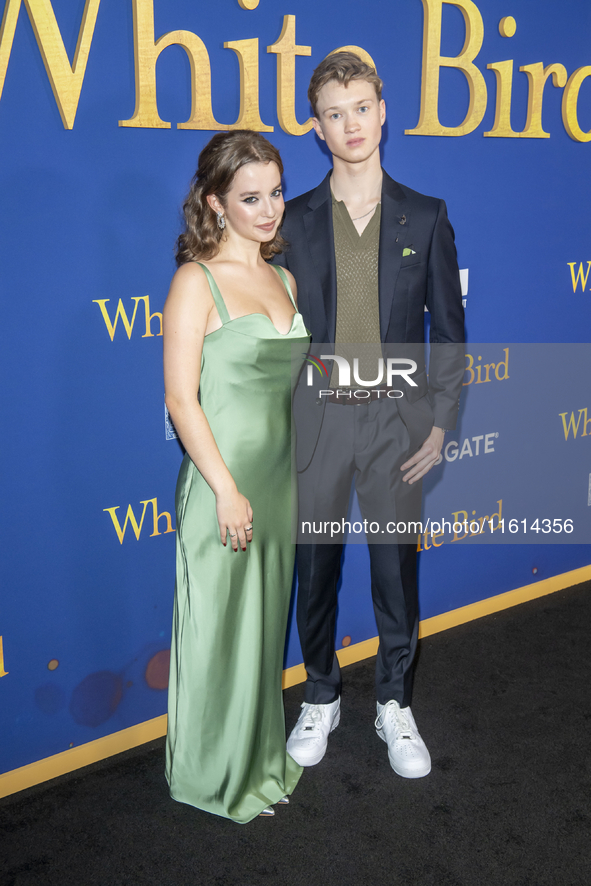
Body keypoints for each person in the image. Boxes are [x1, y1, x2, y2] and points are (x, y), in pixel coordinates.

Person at [275, 53, 465, 778]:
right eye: (333, 112)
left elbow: (447, 332)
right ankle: (320, 693)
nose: (349, 124)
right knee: (314, 571)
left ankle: (393, 703)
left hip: (395, 425)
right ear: (316, 127)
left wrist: (441, 423)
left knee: (394, 574)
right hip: (315, 424)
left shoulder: (427, 215)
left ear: (383, 112)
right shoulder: (289, 223)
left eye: (360, 107)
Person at [163, 131, 309, 822]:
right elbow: (180, 399)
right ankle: (214, 775)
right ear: (215, 203)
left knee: (261, 629)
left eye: (275, 192)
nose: (269, 208)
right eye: (250, 197)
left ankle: (256, 757)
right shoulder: (196, 281)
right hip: (223, 485)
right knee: (220, 630)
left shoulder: (282, 278)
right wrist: (224, 487)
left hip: (278, 483)